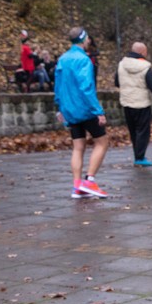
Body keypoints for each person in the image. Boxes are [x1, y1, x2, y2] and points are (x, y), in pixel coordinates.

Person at [54, 26, 110, 199]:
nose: (89, 42)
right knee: (102, 142)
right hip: (84, 109)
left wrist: (60, 107)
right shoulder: (84, 60)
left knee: (78, 147)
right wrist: (98, 111)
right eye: (87, 39)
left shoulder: (62, 59)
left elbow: (57, 86)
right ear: (84, 39)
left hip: (69, 109)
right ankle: (90, 181)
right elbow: (87, 88)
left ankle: (77, 185)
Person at [115, 41, 152, 167]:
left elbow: (117, 82)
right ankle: (140, 158)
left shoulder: (121, 64)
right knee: (143, 131)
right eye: (145, 51)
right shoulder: (145, 66)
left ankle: (137, 156)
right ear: (141, 52)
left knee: (133, 130)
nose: (146, 54)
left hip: (127, 102)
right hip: (141, 103)